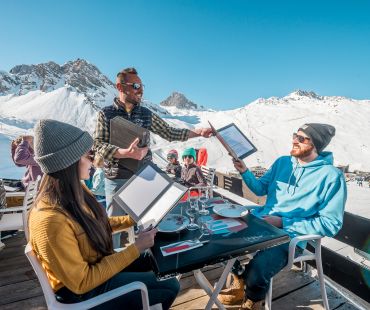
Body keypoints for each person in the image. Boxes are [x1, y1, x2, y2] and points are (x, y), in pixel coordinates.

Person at [29, 119, 179, 310]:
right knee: (169, 285)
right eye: (88, 155)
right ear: (69, 162)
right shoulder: (49, 220)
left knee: (157, 263)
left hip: (95, 265)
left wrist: (132, 220)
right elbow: (81, 282)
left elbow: (93, 224)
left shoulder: (72, 193)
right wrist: (136, 247)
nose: (92, 161)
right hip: (82, 295)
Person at [218, 123, 347, 310]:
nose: (295, 140)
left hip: (290, 235)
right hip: (261, 222)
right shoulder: (282, 162)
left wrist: (283, 221)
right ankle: (239, 279)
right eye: (295, 135)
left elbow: (331, 223)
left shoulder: (331, 176)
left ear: (315, 145)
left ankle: (253, 300)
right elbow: (260, 188)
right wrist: (244, 171)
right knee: (217, 239)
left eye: (302, 138)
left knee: (258, 269)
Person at [93, 67, 212, 247]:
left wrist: (198, 132)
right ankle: (117, 269)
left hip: (144, 177)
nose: (140, 90)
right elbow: (98, 145)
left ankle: (149, 263)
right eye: (135, 85)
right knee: (115, 230)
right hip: (117, 178)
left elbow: (170, 132)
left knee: (149, 224)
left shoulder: (146, 114)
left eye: (142, 86)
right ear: (120, 86)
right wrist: (124, 153)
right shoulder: (106, 114)